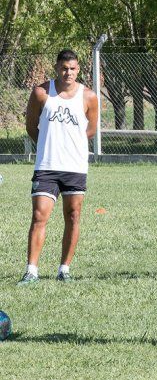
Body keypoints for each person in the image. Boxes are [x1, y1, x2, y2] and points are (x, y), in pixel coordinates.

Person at [18, 49, 98, 285]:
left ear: (78, 70)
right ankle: (31, 270)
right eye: (64, 68)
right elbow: (32, 127)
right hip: (47, 165)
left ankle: (65, 269)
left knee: (73, 216)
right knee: (39, 215)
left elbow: (90, 130)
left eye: (73, 69)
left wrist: (71, 144)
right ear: (56, 68)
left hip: (75, 167)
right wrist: (48, 144)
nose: (68, 73)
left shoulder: (89, 96)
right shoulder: (41, 93)